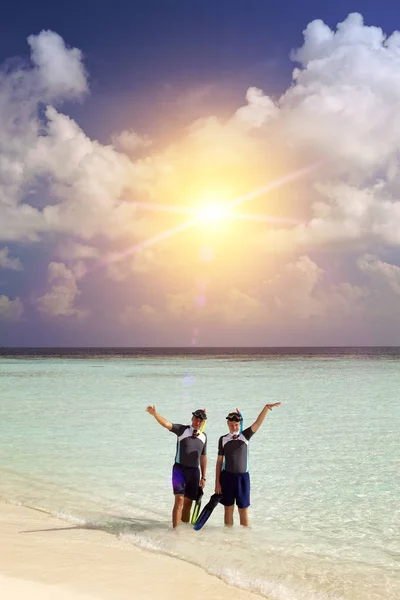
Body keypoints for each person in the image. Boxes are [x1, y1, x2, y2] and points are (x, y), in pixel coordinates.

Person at [215, 403, 281, 527]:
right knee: (228, 509)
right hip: (227, 477)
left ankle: (244, 540)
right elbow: (219, 462)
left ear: (239, 425)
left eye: (236, 425)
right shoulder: (223, 439)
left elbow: (257, 423)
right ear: (228, 424)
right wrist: (217, 483)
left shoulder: (245, 436)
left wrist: (266, 408)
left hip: (243, 478)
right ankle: (228, 539)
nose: (234, 427)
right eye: (232, 425)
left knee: (243, 510)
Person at [146, 406, 207, 528]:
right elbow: (167, 424)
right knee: (179, 500)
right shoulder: (182, 430)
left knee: (188, 503)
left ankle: (183, 530)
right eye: (196, 419)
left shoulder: (203, 436)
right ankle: (175, 530)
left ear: (203, 422)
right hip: (179, 470)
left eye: (200, 421)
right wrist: (155, 414)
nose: (197, 422)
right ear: (192, 418)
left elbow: (203, 457)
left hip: (195, 472)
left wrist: (203, 477)